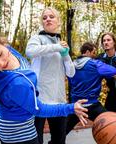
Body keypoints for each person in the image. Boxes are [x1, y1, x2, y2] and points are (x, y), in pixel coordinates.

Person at [0, 24, 88, 144]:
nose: (0, 64)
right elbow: (39, 110)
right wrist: (71, 108)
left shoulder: (10, 51)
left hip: (3, 120)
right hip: (18, 134)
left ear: (4, 43)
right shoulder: (17, 84)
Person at [26, 7, 74, 144]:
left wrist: (65, 56)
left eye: (51, 16)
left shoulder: (61, 43)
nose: (48, 19)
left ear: (58, 21)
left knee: (59, 141)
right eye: (45, 17)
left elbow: (71, 73)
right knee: (36, 141)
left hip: (58, 99)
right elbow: (30, 51)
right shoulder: (37, 38)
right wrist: (56, 48)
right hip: (38, 100)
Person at [66, 42, 116, 135]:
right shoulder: (95, 64)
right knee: (111, 127)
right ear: (88, 52)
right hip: (93, 105)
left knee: (60, 135)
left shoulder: (71, 65)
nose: (95, 55)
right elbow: (113, 70)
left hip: (76, 106)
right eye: (94, 53)